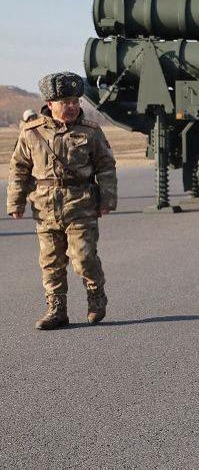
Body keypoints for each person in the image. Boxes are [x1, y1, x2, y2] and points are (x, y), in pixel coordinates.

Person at [6, 72, 118, 330]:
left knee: (83, 257)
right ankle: (56, 310)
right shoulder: (31, 132)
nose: (72, 106)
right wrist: (15, 202)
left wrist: (107, 199)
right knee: (51, 262)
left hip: (81, 204)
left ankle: (96, 295)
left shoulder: (90, 131)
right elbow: (19, 169)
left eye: (75, 101)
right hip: (45, 207)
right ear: (50, 103)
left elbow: (105, 166)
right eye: (65, 102)